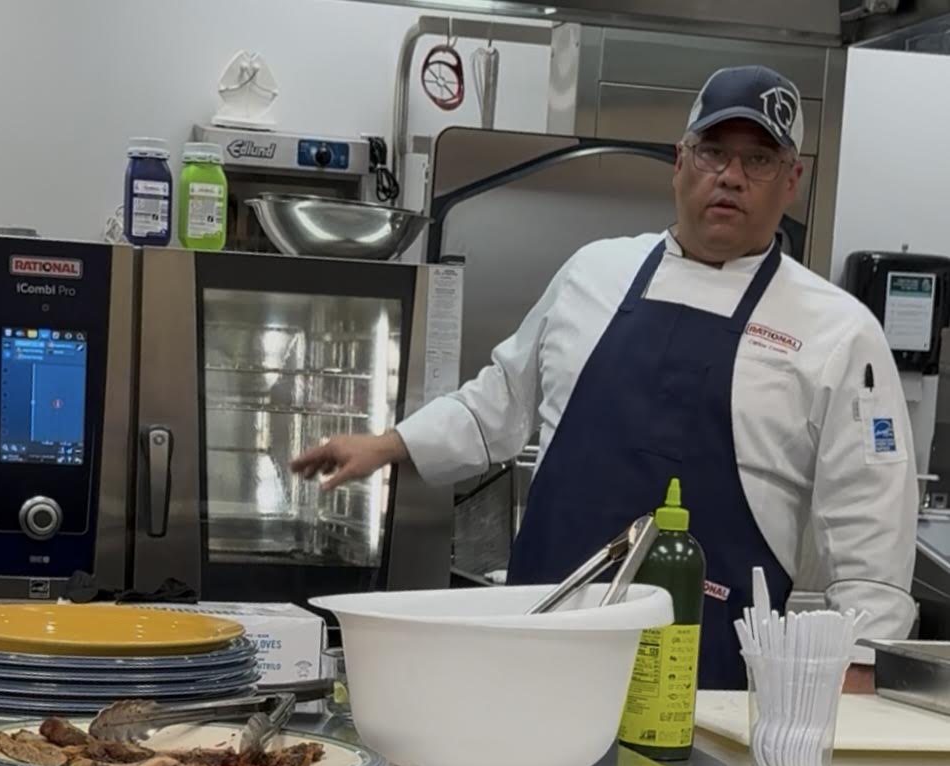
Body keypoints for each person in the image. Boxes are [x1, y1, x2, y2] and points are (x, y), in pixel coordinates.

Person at [292, 65, 918, 692]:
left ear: (792, 180)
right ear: (680, 161)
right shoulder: (595, 272)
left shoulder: (839, 331)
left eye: (759, 159)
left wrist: (861, 663)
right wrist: (387, 445)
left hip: (707, 672)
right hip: (543, 640)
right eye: (713, 152)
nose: (730, 176)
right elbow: (499, 404)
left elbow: (870, 528)